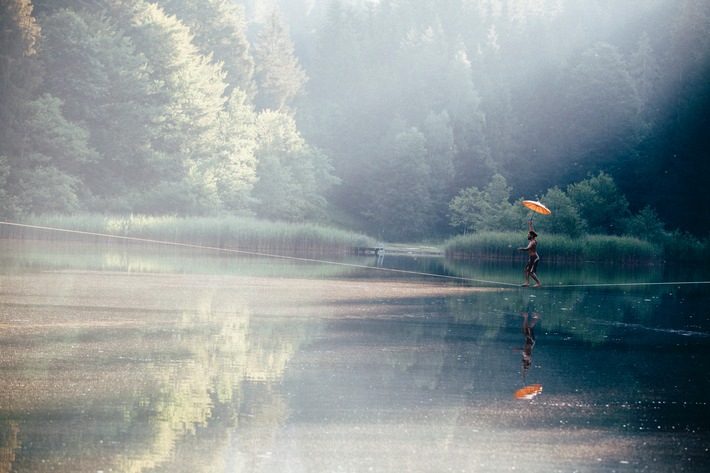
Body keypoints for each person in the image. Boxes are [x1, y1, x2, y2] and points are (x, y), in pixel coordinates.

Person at [514, 311, 540, 382]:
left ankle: (530, 316)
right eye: (522, 365)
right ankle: (529, 316)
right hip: (530, 340)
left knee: (527, 328)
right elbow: (525, 352)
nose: (521, 364)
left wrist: (523, 376)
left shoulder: (525, 357)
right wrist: (518, 350)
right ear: (525, 363)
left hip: (529, 340)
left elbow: (524, 369)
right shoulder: (528, 357)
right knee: (526, 328)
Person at [517, 219, 541, 287]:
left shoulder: (533, 242)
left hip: (534, 258)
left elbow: (527, 249)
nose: (528, 235)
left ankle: (538, 283)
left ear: (531, 236)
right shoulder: (532, 239)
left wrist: (521, 248)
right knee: (526, 270)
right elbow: (531, 231)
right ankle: (527, 283)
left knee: (530, 272)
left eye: (528, 234)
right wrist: (530, 225)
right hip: (531, 258)